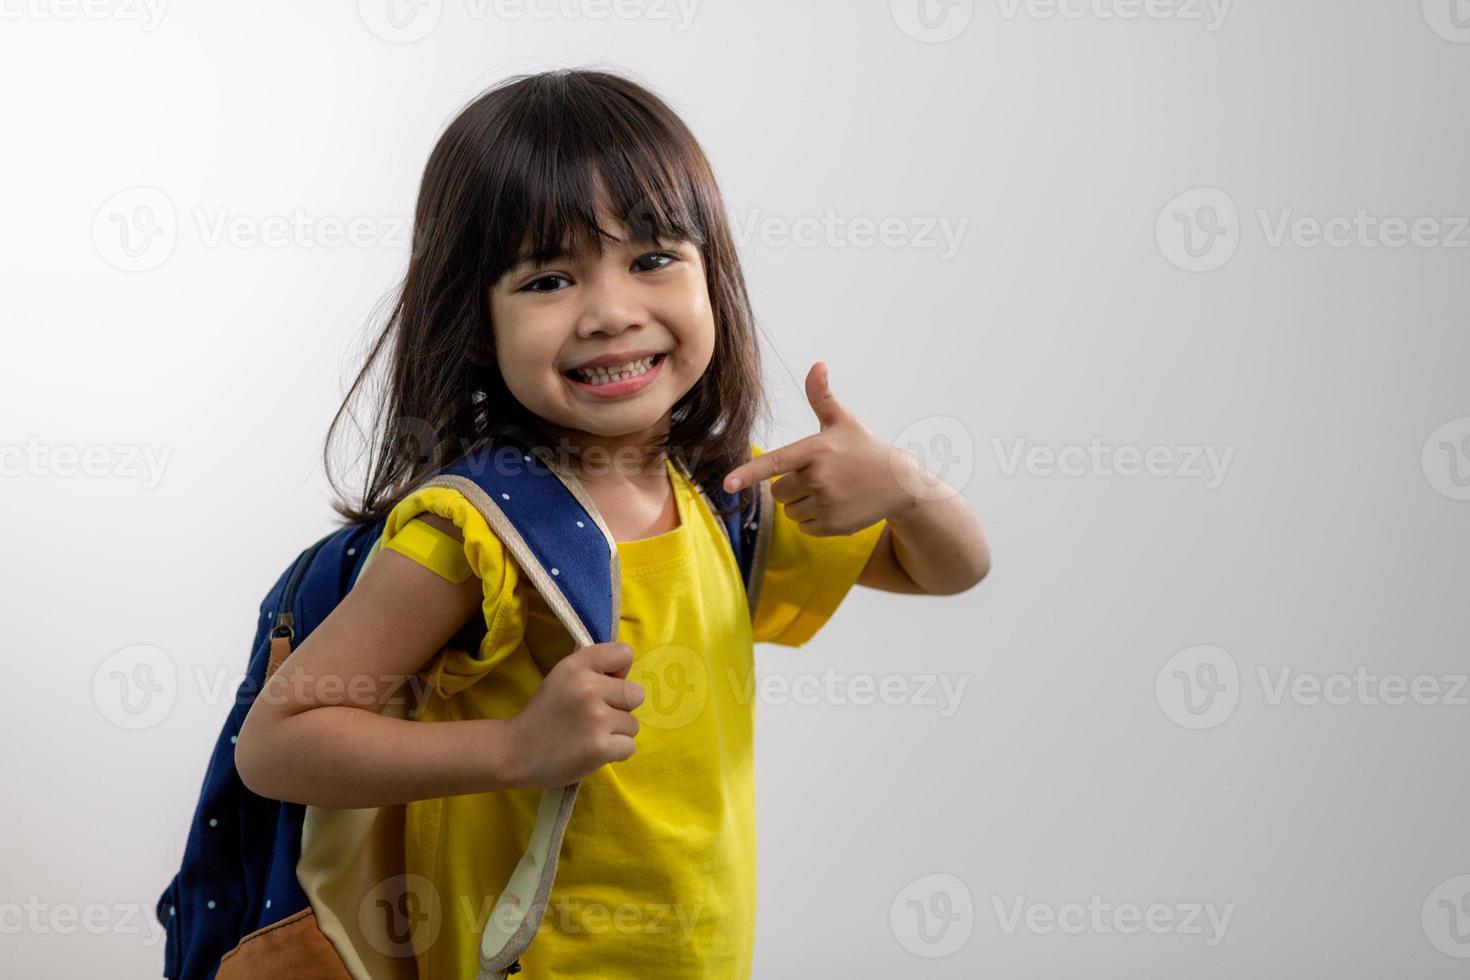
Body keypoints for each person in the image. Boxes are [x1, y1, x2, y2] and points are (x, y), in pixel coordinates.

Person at [235, 67, 990, 979]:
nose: (611, 313)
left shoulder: (724, 497)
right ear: (476, 324)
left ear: (714, 273)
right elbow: (278, 744)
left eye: (653, 258)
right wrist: (516, 748)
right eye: (548, 278)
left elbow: (949, 570)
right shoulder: (472, 534)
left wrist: (907, 487)